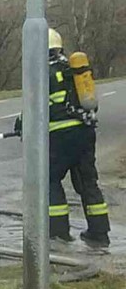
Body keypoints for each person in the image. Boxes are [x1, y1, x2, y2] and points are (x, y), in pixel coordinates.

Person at [46, 28, 110, 248]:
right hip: (85, 133)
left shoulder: (42, 72)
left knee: (50, 180)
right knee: (88, 183)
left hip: (60, 137)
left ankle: (58, 234)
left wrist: (22, 124)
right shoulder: (73, 70)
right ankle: (99, 234)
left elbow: (36, 107)